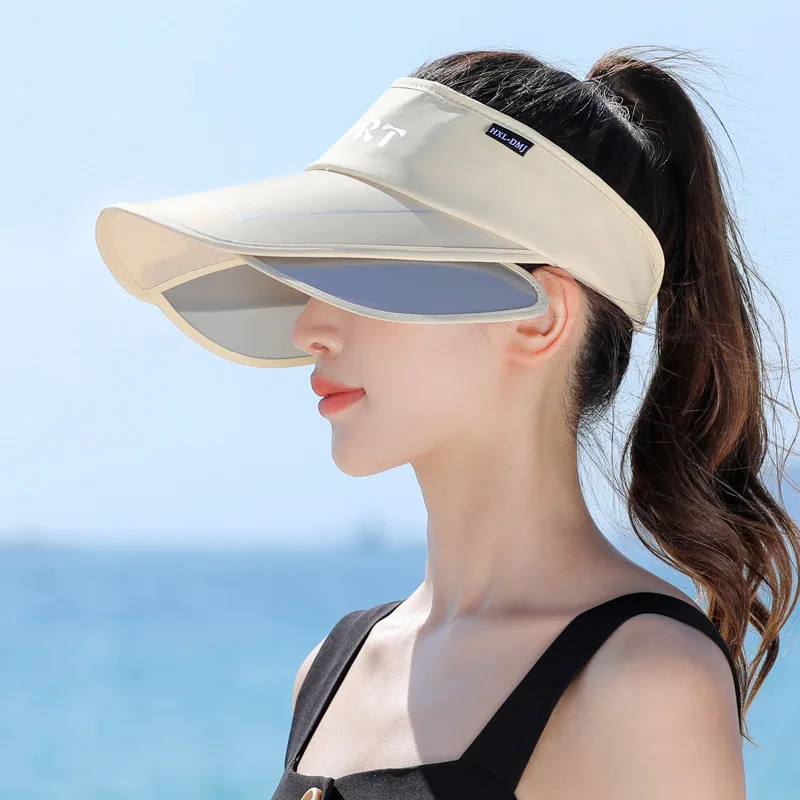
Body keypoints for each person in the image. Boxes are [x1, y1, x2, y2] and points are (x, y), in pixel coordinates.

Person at [95, 45, 800, 799]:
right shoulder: (332, 670)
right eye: (315, 275)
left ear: (539, 318)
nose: (310, 327)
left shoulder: (643, 679)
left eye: (368, 270)